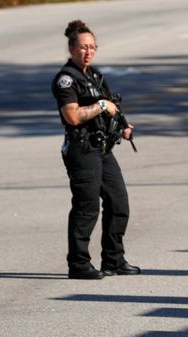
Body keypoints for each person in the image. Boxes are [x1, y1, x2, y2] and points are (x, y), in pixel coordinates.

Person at [51, 20, 140, 280]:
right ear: (71, 48)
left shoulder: (95, 75)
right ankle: (78, 264)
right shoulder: (66, 80)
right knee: (86, 207)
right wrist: (102, 106)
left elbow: (112, 105)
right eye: (83, 47)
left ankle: (113, 260)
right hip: (82, 150)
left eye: (92, 47)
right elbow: (73, 117)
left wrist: (122, 126)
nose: (88, 52)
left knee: (118, 202)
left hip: (102, 148)